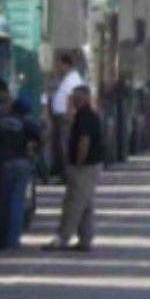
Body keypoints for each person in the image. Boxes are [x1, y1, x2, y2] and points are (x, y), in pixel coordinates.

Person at [46, 86, 103, 252]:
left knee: (73, 202)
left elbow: (84, 140)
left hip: (84, 166)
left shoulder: (84, 116)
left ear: (83, 98)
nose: (72, 101)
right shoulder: (88, 115)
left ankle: (62, 238)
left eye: (74, 98)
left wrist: (78, 162)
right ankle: (85, 238)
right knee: (86, 203)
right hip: (92, 165)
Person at [0, 94, 40, 249]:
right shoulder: (26, 123)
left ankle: (0, 239)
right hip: (21, 162)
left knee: (2, 201)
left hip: (4, 164)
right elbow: (40, 136)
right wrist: (35, 152)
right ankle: (13, 239)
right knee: (17, 202)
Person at [48, 53, 86, 179]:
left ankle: (67, 174)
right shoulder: (66, 78)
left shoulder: (72, 79)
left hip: (66, 118)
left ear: (66, 65)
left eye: (59, 65)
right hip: (61, 117)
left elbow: (72, 98)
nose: (58, 67)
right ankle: (62, 172)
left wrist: (70, 116)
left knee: (65, 146)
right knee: (60, 146)